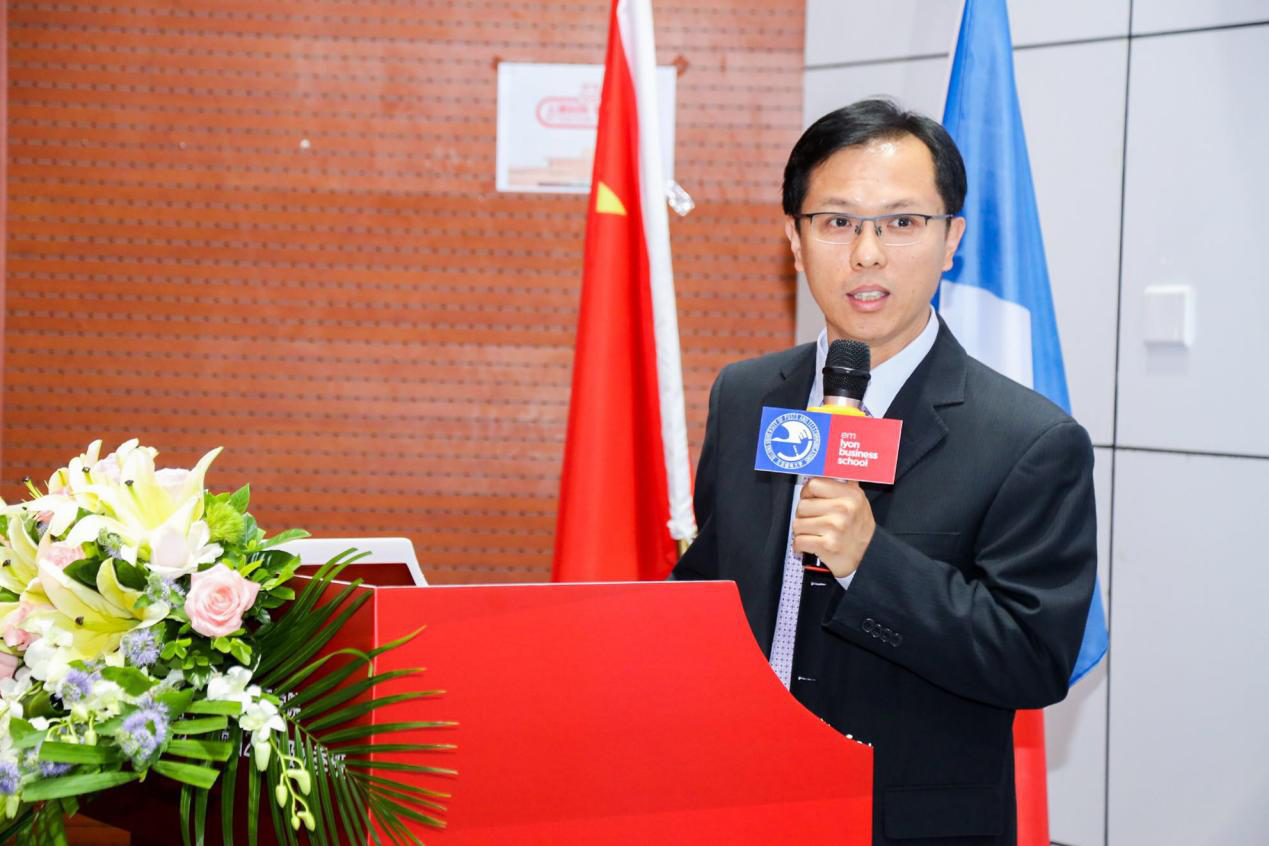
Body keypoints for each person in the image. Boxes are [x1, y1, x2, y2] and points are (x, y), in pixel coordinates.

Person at [671, 99, 1097, 845]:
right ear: (794, 240)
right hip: (738, 801)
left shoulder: (1029, 440)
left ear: (950, 239)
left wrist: (869, 563)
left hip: (907, 821)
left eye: (901, 222)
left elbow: (1032, 662)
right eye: (837, 222)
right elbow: (709, 586)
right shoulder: (745, 395)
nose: (867, 254)